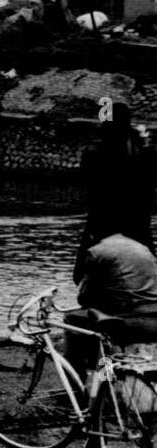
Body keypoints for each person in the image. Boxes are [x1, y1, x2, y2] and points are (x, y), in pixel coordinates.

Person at [76, 102, 156, 277]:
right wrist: (147, 146)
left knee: (92, 269)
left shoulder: (97, 152)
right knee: (144, 266)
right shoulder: (139, 151)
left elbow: (87, 178)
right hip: (136, 218)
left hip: (103, 218)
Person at [65, 229, 157, 376]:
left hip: (129, 320)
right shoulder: (142, 248)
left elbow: (84, 298)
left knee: (72, 319)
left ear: (93, 234)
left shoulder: (97, 251)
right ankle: (104, 374)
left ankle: (77, 384)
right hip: (154, 318)